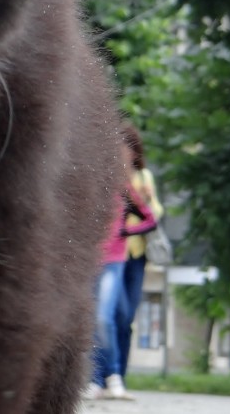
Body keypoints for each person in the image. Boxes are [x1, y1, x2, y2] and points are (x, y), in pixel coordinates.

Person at [87, 122, 157, 401]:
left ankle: (114, 376)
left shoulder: (127, 186)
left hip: (118, 259)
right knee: (94, 319)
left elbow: (151, 218)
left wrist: (125, 231)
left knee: (108, 317)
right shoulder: (92, 183)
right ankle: (94, 380)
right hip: (91, 260)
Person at [116, 124, 164, 401]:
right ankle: (103, 375)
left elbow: (155, 212)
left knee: (127, 317)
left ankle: (119, 374)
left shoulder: (144, 176)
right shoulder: (112, 176)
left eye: (128, 148)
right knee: (111, 313)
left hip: (136, 255)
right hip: (114, 253)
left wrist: (146, 199)